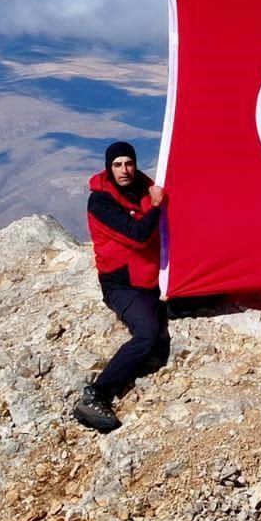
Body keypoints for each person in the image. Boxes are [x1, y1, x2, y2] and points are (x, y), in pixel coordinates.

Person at [73, 141, 169, 433]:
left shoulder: (145, 186)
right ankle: (97, 394)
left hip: (153, 278)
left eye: (128, 163)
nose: (124, 170)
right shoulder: (101, 202)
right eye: (117, 165)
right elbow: (138, 235)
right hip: (122, 285)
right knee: (148, 336)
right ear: (108, 167)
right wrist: (156, 206)